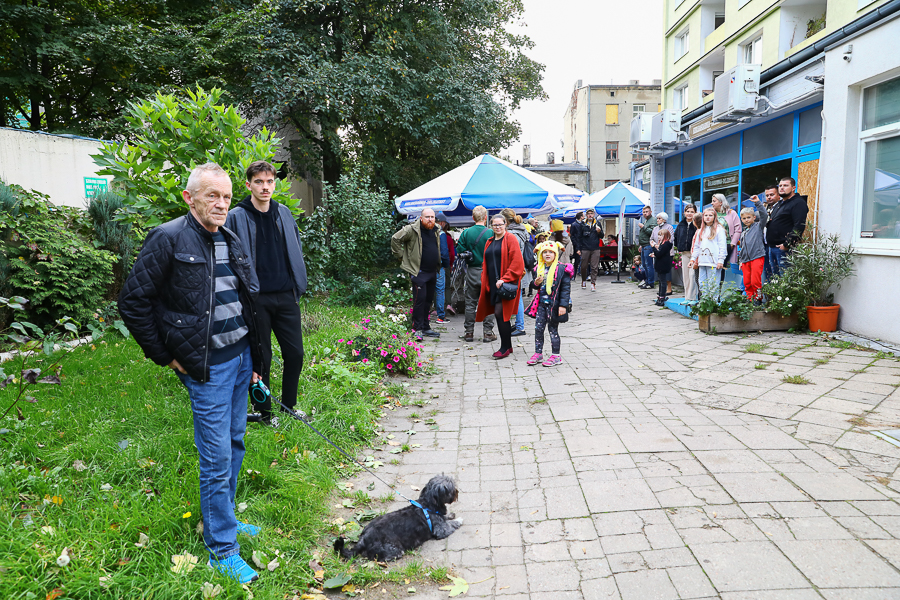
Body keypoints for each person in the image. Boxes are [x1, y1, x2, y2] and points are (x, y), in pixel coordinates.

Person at [118, 163, 263, 584]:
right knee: (216, 459)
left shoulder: (230, 237)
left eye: (225, 196)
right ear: (190, 198)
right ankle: (222, 549)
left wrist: (256, 362)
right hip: (207, 368)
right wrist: (165, 356)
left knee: (234, 444)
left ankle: (225, 521)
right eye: (211, 196)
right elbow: (133, 302)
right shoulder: (167, 238)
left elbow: (247, 302)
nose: (221, 204)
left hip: (239, 362)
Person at [226, 161, 307, 426]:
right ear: (248, 184)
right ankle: (265, 413)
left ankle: (289, 406)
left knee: (295, 353)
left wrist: (298, 284)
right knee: (261, 359)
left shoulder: (283, 213)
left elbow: (294, 248)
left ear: (275, 184)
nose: (265, 187)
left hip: (286, 296)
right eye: (259, 182)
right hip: (254, 299)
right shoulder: (237, 216)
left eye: (269, 181)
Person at [391, 208, 448, 340]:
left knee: (428, 301)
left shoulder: (436, 230)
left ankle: (426, 327)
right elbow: (395, 239)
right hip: (419, 272)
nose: (430, 219)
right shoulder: (412, 229)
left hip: (432, 271)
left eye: (432, 217)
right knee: (419, 301)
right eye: (427, 217)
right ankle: (416, 329)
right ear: (421, 218)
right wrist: (401, 256)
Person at [476, 214, 525, 359]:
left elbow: (517, 263)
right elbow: (486, 261)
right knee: (500, 314)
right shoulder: (489, 240)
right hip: (492, 283)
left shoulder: (510, 238)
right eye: (494, 225)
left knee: (500, 313)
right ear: (490, 226)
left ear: (505, 224)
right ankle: (508, 346)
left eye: (500, 224)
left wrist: (505, 278)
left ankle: (504, 347)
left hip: (505, 283)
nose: (497, 227)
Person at [526, 241, 572, 367]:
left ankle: (556, 356)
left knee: (553, 330)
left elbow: (565, 289)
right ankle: (538, 353)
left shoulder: (562, 269)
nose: (547, 254)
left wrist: (563, 305)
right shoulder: (539, 268)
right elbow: (534, 286)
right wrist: (536, 283)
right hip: (541, 304)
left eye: (550, 252)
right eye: (544, 252)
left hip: (554, 305)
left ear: (555, 254)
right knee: (538, 329)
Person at [455, 206, 496, 343]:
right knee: (489, 302)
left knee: (471, 303)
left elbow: (460, 250)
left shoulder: (466, 233)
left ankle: (469, 332)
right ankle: (488, 332)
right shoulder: (491, 232)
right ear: (486, 218)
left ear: (473, 218)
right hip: (488, 272)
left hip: (472, 271)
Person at [766, 177, 809, 276]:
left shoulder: (798, 203)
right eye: (780, 186)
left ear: (793, 188)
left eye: (785, 185)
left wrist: (787, 245)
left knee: (786, 279)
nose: (782, 188)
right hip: (772, 248)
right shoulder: (779, 204)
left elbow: (799, 225)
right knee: (776, 281)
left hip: (784, 249)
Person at [502, 208, 530, 337]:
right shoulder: (522, 230)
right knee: (516, 296)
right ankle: (518, 324)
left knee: (517, 297)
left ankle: (520, 326)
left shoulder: (512, 234)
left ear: (506, 221)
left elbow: (512, 254)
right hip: (520, 267)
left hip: (515, 269)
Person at [690, 206, 727, 297]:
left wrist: (721, 260)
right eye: (705, 215)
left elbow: (722, 246)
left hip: (713, 261)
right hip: (702, 261)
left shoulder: (719, 229)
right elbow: (697, 246)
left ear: (714, 217)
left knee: (713, 283)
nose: (707, 217)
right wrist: (693, 259)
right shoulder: (700, 231)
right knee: (702, 283)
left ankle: (713, 304)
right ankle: (705, 302)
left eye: (710, 215)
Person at [739, 197, 769, 303]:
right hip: (745, 260)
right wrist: (741, 261)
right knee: (747, 282)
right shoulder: (743, 233)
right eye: (744, 218)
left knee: (755, 281)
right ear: (741, 220)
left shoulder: (758, 226)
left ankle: (758, 298)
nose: (747, 220)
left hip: (757, 257)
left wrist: (757, 203)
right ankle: (749, 298)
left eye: (749, 217)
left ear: (753, 217)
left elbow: (764, 215)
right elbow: (742, 248)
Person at [711, 193, 742, 271]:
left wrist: (732, 244)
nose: (712, 203)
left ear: (721, 202)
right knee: (714, 266)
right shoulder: (711, 213)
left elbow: (738, 229)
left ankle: (724, 283)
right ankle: (716, 283)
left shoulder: (732, 213)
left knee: (725, 268)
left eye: (714, 201)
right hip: (714, 245)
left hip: (728, 245)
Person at [674, 204, 698, 301]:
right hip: (684, 253)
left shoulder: (697, 224)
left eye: (692, 212)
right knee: (686, 276)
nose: (689, 214)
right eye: (688, 211)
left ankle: (693, 297)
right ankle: (687, 296)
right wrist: (679, 246)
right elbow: (676, 237)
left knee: (692, 275)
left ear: (695, 213)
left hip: (694, 254)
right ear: (684, 212)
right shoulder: (681, 225)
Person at [433, 212, 453, 324]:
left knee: (428, 289)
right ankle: (441, 316)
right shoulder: (441, 234)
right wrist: (446, 265)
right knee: (440, 290)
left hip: (426, 266)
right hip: (438, 265)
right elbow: (445, 253)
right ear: (441, 222)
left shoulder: (426, 232)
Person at [650, 212, 675, 295]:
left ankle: (669, 288)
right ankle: (661, 291)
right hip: (658, 251)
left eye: (659, 218)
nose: (657, 220)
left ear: (664, 219)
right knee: (660, 274)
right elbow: (651, 238)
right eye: (657, 218)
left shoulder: (669, 227)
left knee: (666, 273)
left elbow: (670, 239)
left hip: (666, 252)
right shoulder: (655, 228)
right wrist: (655, 245)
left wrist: (659, 246)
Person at [579, 208, 603, 291]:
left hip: (595, 248)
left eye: (591, 213)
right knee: (583, 266)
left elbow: (602, 236)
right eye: (588, 213)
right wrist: (578, 248)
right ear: (586, 215)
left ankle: (593, 283)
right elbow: (579, 237)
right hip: (585, 248)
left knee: (594, 267)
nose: (590, 215)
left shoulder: (597, 223)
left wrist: (599, 232)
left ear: (594, 215)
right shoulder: (582, 224)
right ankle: (583, 280)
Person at [761, 184, 780, 280]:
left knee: (778, 273)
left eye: (772, 194)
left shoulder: (781, 207)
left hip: (777, 245)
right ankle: (770, 294)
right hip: (765, 244)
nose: (769, 197)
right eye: (767, 195)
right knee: (768, 272)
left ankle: (780, 295)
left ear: (778, 195)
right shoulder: (767, 208)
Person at [651, 229, 674, 307]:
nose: (659, 237)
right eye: (658, 235)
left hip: (663, 265)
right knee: (661, 281)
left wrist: (654, 248)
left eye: (661, 235)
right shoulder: (662, 244)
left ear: (666, 236)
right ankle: (660, 295)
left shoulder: (666, 244)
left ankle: (662, 296)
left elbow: (659, 254)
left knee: (663, 281)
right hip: (660, 264)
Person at [637, 205, 656, 290]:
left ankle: (650, 282)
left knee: (649, 265)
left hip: (648, 245)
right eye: (644, 212)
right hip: (644, 245)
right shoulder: (646, 221)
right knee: (644, 265)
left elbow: (652, 232)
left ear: (650, 212)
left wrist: (643, 227)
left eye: (647, 211)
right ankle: (647, 281)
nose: (645, 213)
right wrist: (641, 245)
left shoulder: (653, 220)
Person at [571, 212, 584, 280]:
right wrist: (575, 244)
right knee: (577, 261)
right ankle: (574, 275)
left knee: (584, 260)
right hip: (577, 245)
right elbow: (572, 235)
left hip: (583, 244)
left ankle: (584, 274)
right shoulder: (574, 225)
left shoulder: (583, 224)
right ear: (581, 217)